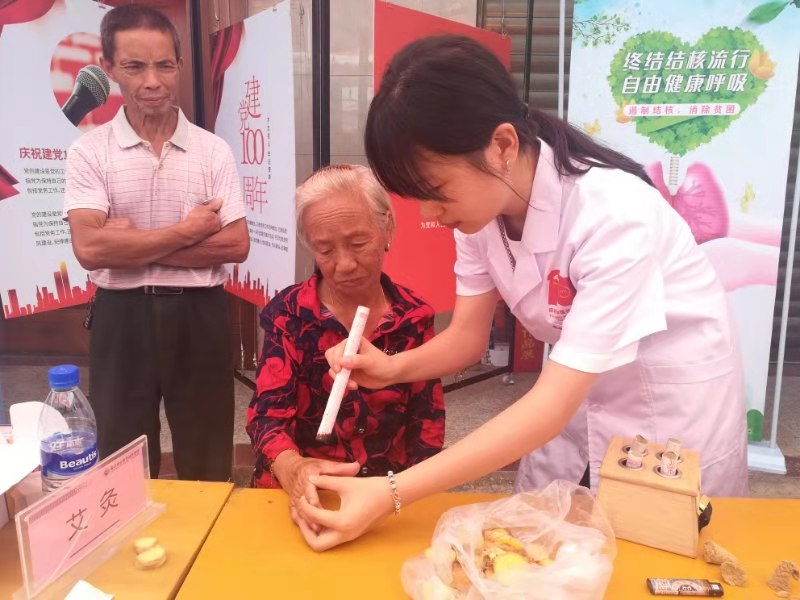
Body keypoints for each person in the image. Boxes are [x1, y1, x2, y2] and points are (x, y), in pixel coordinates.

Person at [294, 35, 748, 550]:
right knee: (553, 548)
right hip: (579, 394)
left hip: (666, 408)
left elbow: (551, 404)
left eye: (434, 192)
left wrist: (391, 493)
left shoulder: (615, 215)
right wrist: (390, 368)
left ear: (502, 146)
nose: (428, 214)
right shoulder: (479, 216)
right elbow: (467, 338)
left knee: (657, 557)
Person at [64, 4, 249, 481]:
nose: (152, 82)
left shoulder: (213, 151)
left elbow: (235, 245)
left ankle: (207, 529)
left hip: (200, 314)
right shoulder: (89, 152)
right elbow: (90, 250)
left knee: (207, 451)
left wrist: (132, 244)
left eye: (165, 65)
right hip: (121, 316)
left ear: (180, 65)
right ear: (108, 68)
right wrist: (187, 232)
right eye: (134, 66)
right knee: (121, 455)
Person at [246, 164, 445, 523]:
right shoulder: (288, 314)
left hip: (386, 498)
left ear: (387, 228)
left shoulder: (413, 317)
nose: (345, 264)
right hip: (304, 497)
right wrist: (293, 467)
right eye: (325, 250)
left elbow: (427, 424)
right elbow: (267, 416)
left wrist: (409, 498)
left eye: (358, 243)